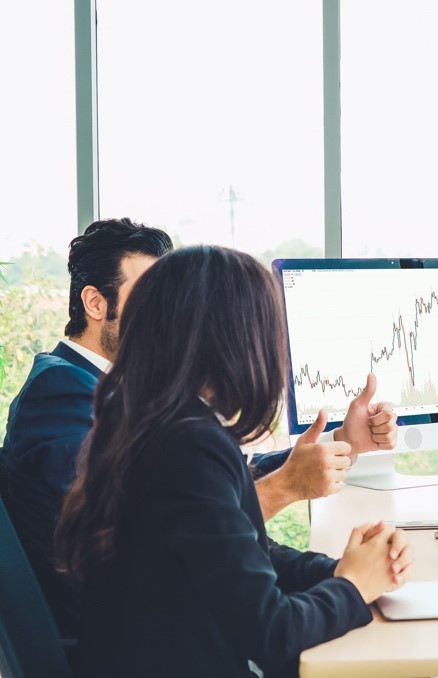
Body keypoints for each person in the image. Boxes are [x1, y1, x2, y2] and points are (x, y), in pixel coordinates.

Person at [0, 218, 397, 640]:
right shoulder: (60, 394)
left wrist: (341, 444)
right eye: (152, 296)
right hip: (140, 642)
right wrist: (285, 490)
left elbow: (204, 489)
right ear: (96, 304)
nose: (164, 314)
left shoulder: (132, 396)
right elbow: (142, 542)